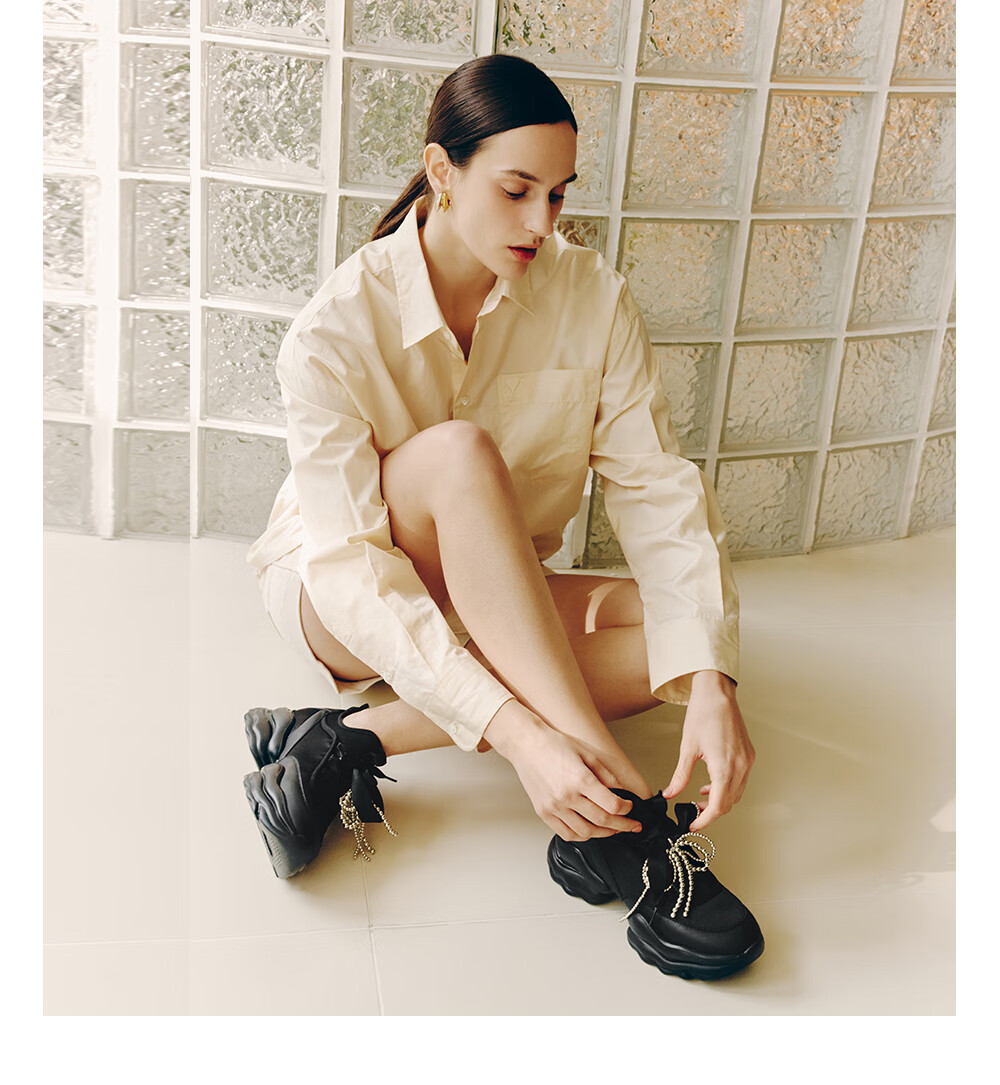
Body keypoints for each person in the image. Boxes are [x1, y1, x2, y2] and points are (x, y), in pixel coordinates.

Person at [243, 54, 763, 980]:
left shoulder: (592, 298)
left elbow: (658, 486)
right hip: (346, 601)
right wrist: (526, 742)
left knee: (681, 637)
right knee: (458, 453)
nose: (541, 223)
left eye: (558, 196)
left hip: (492, 596)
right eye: (516, 191)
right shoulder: (334, 331)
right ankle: (626, 824)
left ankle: (347, 739)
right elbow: (354, 574)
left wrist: (715, 680)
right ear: (442, 172)